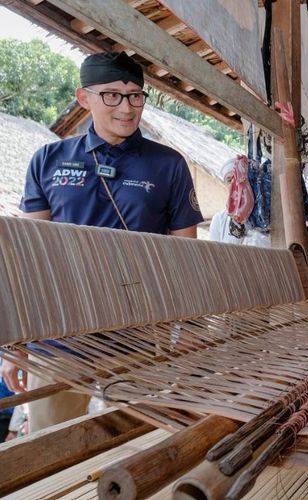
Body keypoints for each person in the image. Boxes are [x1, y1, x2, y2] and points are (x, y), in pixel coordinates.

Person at [2, 51, 204, 433]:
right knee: (51, 444)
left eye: (135, 96)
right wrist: (15, 345)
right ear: (84, 98)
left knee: (134, 443)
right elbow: (26, 258)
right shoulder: (49, 159)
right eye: (112, 95)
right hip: (59, 333)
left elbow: (187, 257)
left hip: (138, 332)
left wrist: (190, 333)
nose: (126, 108)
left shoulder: (169, 165)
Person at [209, 155, 269, 247]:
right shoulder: (219, 220)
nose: (235, 184)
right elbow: (215, 255)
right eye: (229, 180)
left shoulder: (265, 215)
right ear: (225, 185)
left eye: (238, 178)